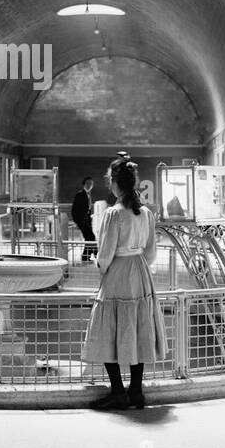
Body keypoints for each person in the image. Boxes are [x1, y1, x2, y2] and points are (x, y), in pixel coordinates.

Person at [81, 158, 167, 410]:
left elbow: (105, 253)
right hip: (140, 272)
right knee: (138, 328)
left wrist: (101, 268)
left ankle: (118, 391)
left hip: (118, 273)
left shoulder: (113, 214)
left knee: (108, 328)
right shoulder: (146, 213)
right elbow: (151, 253)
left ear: (115, 184)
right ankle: (136, 392)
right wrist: (138, 263)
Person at [71, 176, 97, 262]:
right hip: (82, 221)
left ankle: (86, 256)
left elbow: (88, 209)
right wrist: (78, 222)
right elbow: (74, 210)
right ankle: (94, 253)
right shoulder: (80, 194)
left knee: (89, 238)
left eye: (91, 184)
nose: (90, 185)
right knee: (91, 237)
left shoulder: (88, 195)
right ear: (84, 184)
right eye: (88, 183)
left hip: (87, 220)